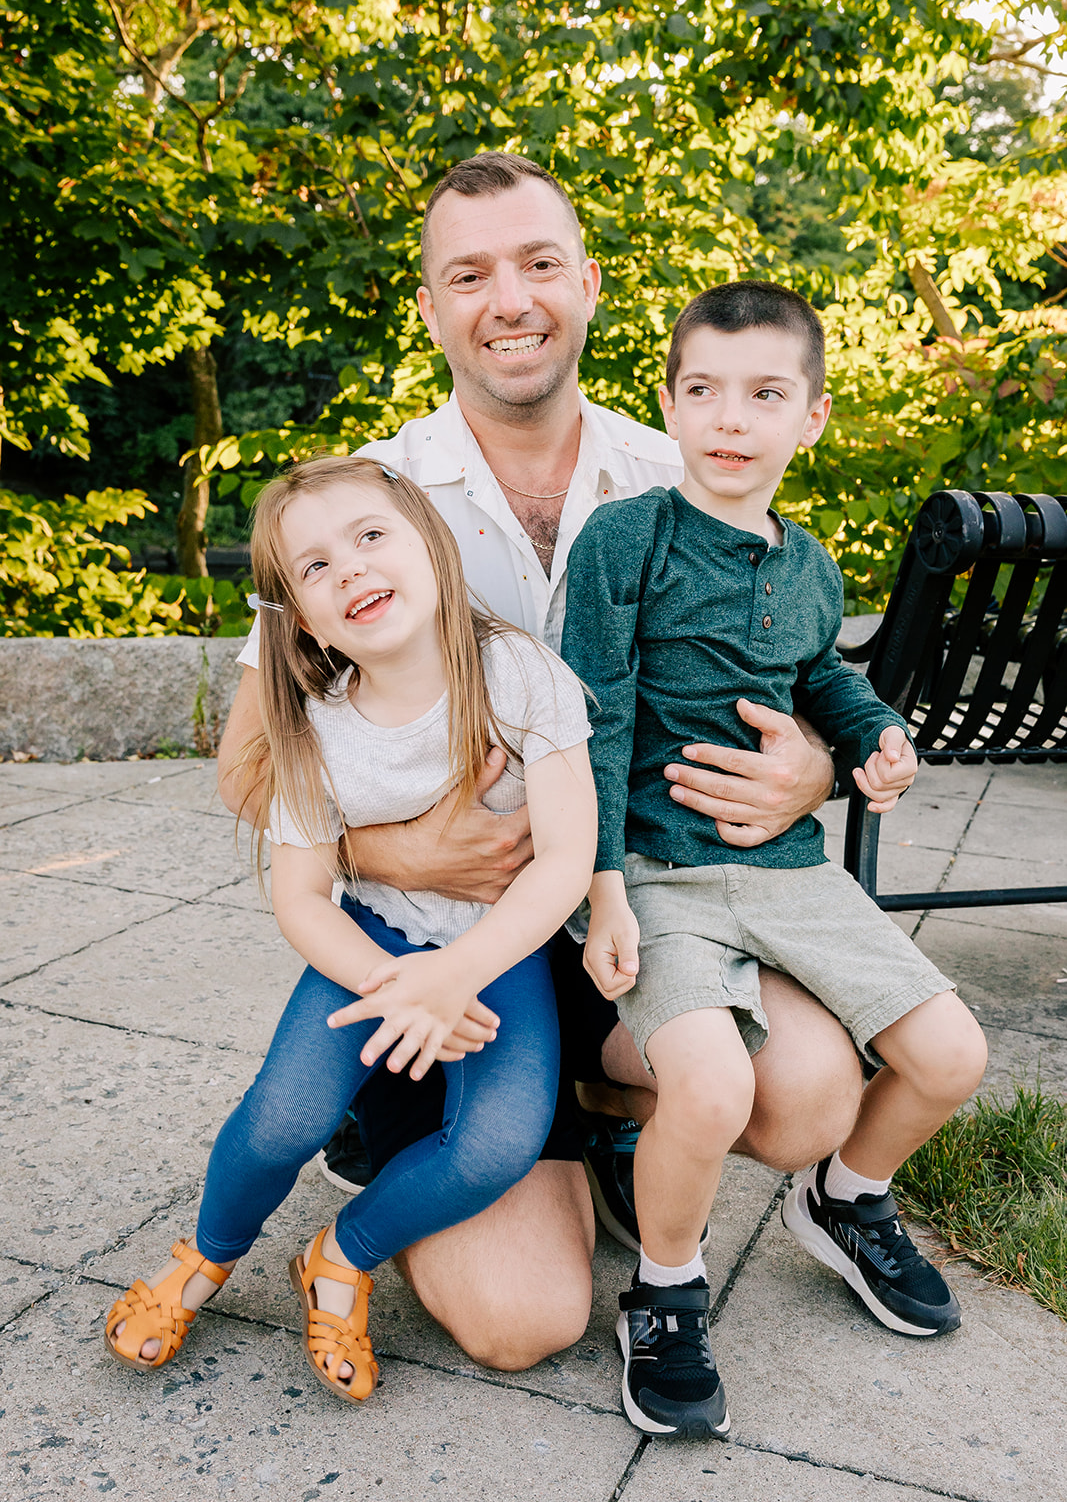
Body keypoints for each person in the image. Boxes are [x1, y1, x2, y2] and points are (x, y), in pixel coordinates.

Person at [218, 152, 864, 1370]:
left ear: (588, 282)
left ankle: (612, 1110)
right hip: (452, 945)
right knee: (524, 1324)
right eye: (468, 274)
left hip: (646, 915)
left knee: (811, 1093)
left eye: (536, 263)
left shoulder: (687, 469)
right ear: (429, 308)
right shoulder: (357, 502)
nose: (507, 297)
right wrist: (379, 846)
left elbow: (802, 683)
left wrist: (814, 769)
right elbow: (246, 766)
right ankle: (454, 1130)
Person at [561, 281, 988, 1438]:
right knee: (710, 1083)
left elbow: (819, 676)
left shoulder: (808, 566)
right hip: (655, 870)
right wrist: (600, 884)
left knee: (949, 1052)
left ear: (810, 416)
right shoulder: (625, 537)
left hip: (789, 869)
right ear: (667, 403)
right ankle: (663, 1288)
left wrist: (872, 737)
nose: (728, 418)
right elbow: (591, 714)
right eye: (701, 390)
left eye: (762, 394)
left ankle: (843, 1198)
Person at [105, 454, 597, 1400]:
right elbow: (301, 900)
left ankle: (341, 1251)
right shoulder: (310, 728)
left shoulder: (520, 675)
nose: (352, 571)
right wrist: (396, 983)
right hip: (371, 950)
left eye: (371, 537)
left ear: (432, 545)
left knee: (496, 1144)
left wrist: (457, 976)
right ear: (297, 614)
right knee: (284, 1118)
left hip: (496, 952)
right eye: (315, 568)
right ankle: (206, 1256)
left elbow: (563, 863)